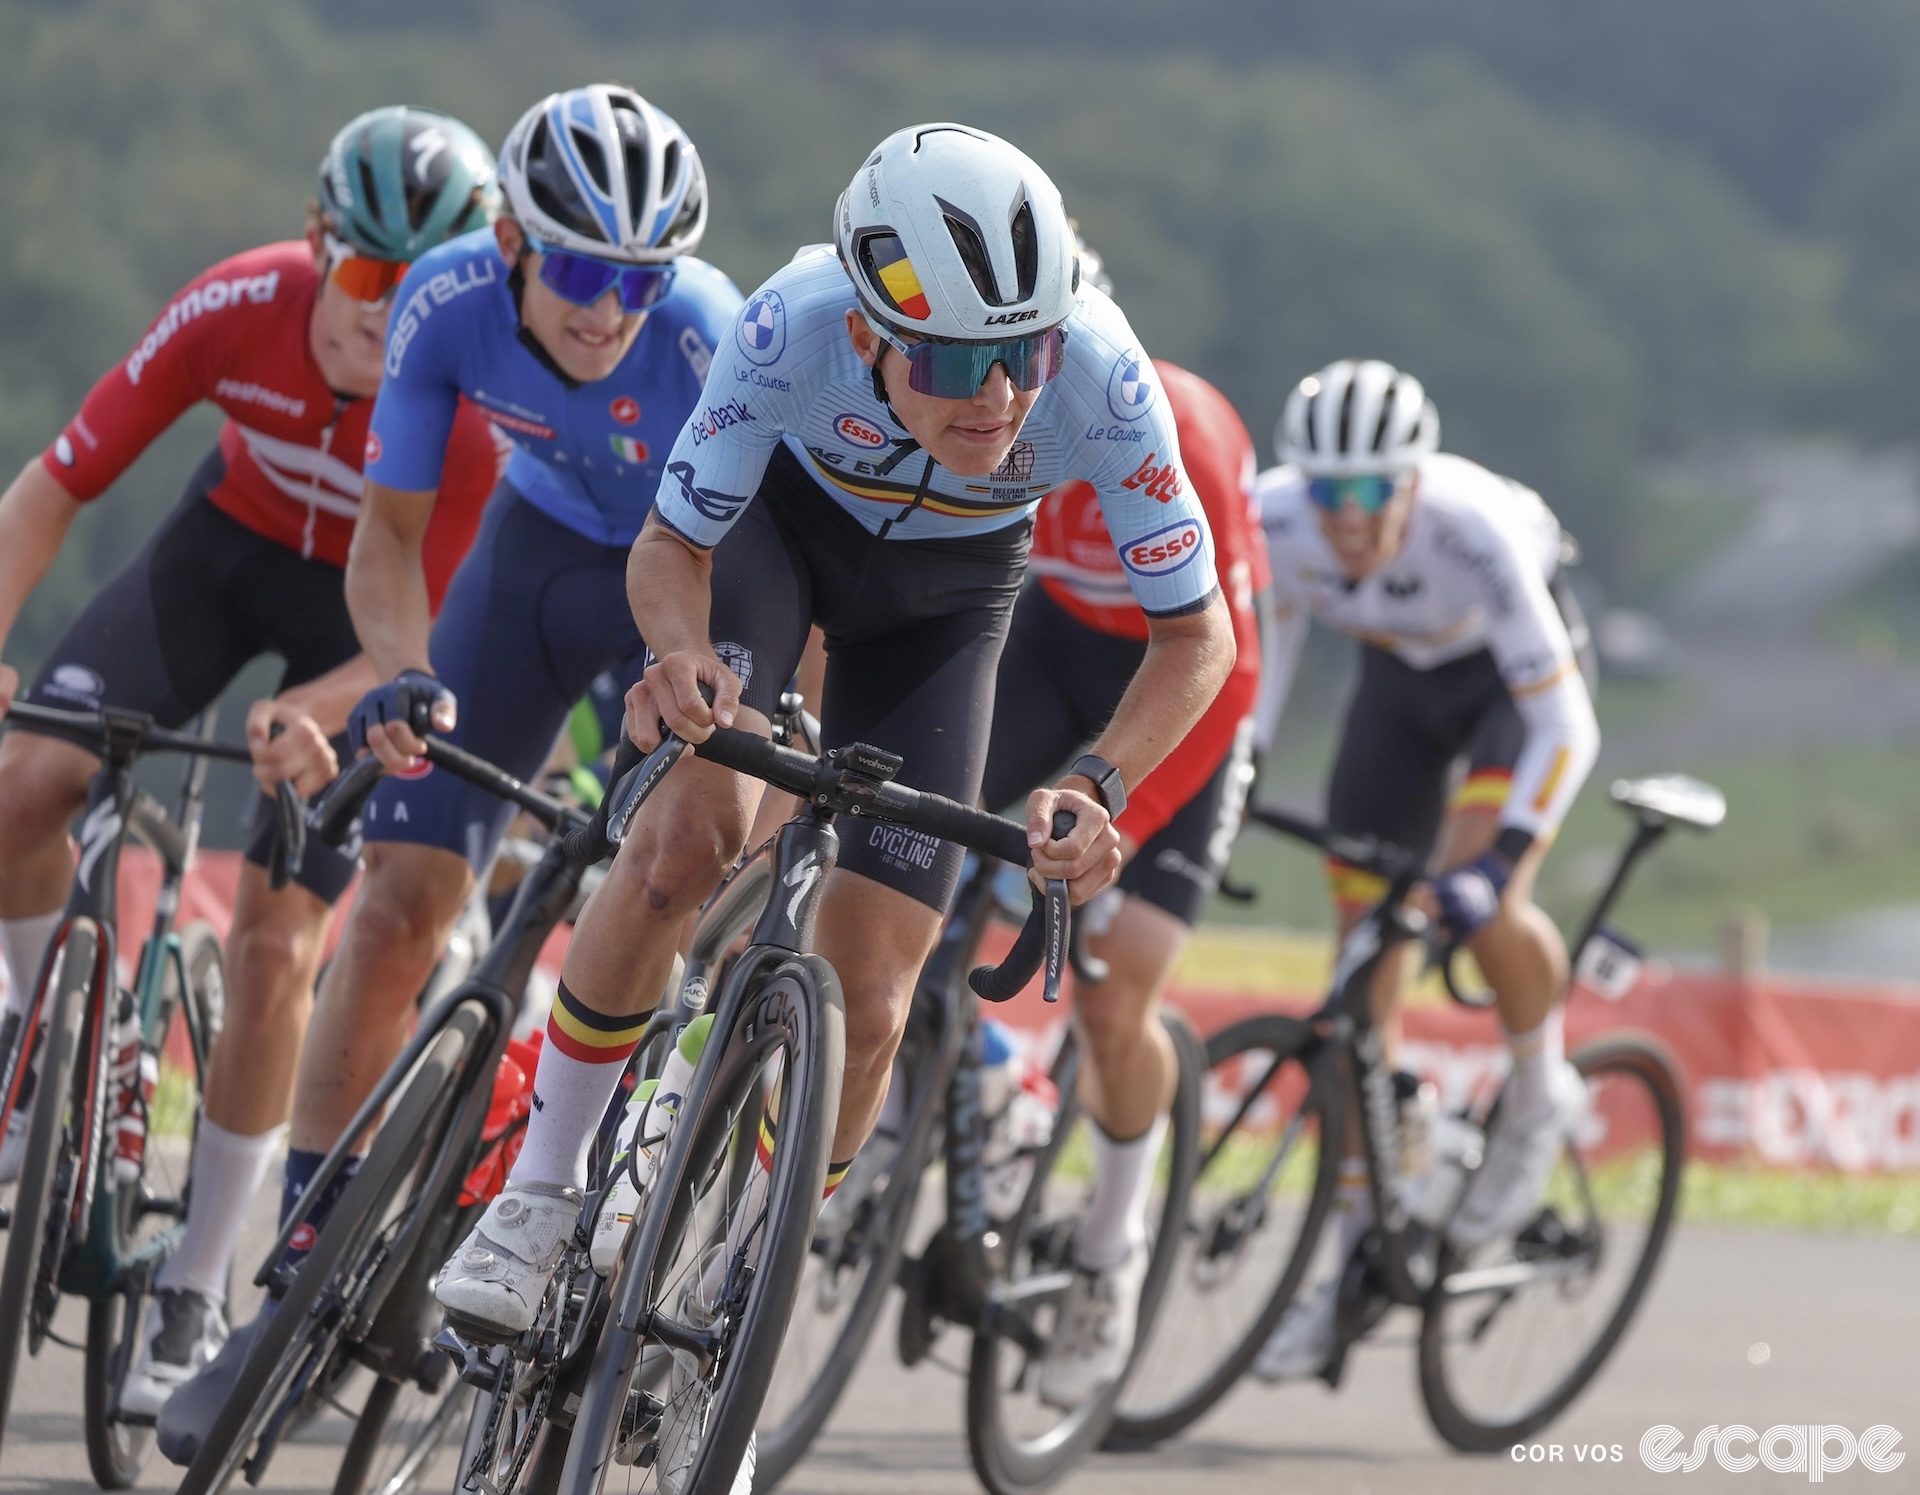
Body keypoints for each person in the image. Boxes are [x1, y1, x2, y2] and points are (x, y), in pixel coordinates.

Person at [429, 122, 1234, 1493]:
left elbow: (1196, 634)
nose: (996, 401)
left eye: (1020, 354)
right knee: (689, 834)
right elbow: (675, 544)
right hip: (777, 546)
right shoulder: (786, 323)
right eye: (957, 362)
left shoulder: (1097, 372)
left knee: (873, 994)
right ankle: (542, 1186)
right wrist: (680, 662)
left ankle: (740, 1294)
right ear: (871, 328)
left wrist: (1101, 784)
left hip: (949, 606)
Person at [155, 83, 741, 1464]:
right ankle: (301, 1267)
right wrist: (399, 669)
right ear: (517, 245)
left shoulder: (710, 337)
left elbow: (769, 570)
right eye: (583, 270)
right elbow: (390, 533)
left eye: (639, 277)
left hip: (690, 590)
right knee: (396, 903)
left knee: (684, 861)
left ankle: (610, 1170)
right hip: (531, 575)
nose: (609, 309)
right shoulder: (442, 302)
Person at [0, 105, 504, 1419]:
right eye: (362, 274)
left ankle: (195, 1279)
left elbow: (428, 644)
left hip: (367, 633)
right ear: (313, 243)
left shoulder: (478, 408)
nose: (385, 315)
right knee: (26, 789)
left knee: (282, 940)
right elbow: (52, 486)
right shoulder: (240, 303)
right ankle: (41, 1014)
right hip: (221, 560)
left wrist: (329, 707)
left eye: (423, 288)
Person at [1246, 358, 1600, 1383]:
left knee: (1483, 905)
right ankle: (1356, 1253)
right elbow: (1267, 653)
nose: (1346, 518)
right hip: (1396, 686)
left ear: (1412, 479)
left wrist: (1502, 860)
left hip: (1504, 687)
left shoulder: (1472, 528)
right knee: (1361, 982)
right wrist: (1242, 778)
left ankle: (1541, 1092)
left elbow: (1563, 722)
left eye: (1368, 493)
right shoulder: (1278, 519)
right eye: (1326, 491)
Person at [977, 242, 1265, 1404]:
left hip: (1184, 681)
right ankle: (969, 1081)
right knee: (916, 830)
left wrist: (1121, 817)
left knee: (1115, 989)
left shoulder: (1173, 432)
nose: (1003, 402)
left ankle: (1112, 1244)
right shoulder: (971, 414)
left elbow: (1220, 670)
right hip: (1054, 636)